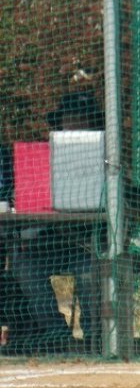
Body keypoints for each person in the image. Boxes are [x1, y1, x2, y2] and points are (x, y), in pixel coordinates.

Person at [11, 92, 105, 353]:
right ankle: (55, 333)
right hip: (50, 242)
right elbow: (27, 196)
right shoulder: (42, 156)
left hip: (86, 243)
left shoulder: (106, 156)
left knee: (89, 270)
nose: (74, 123)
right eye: (69, 117)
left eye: (81, 118)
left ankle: (94, 336)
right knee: (24, 266)